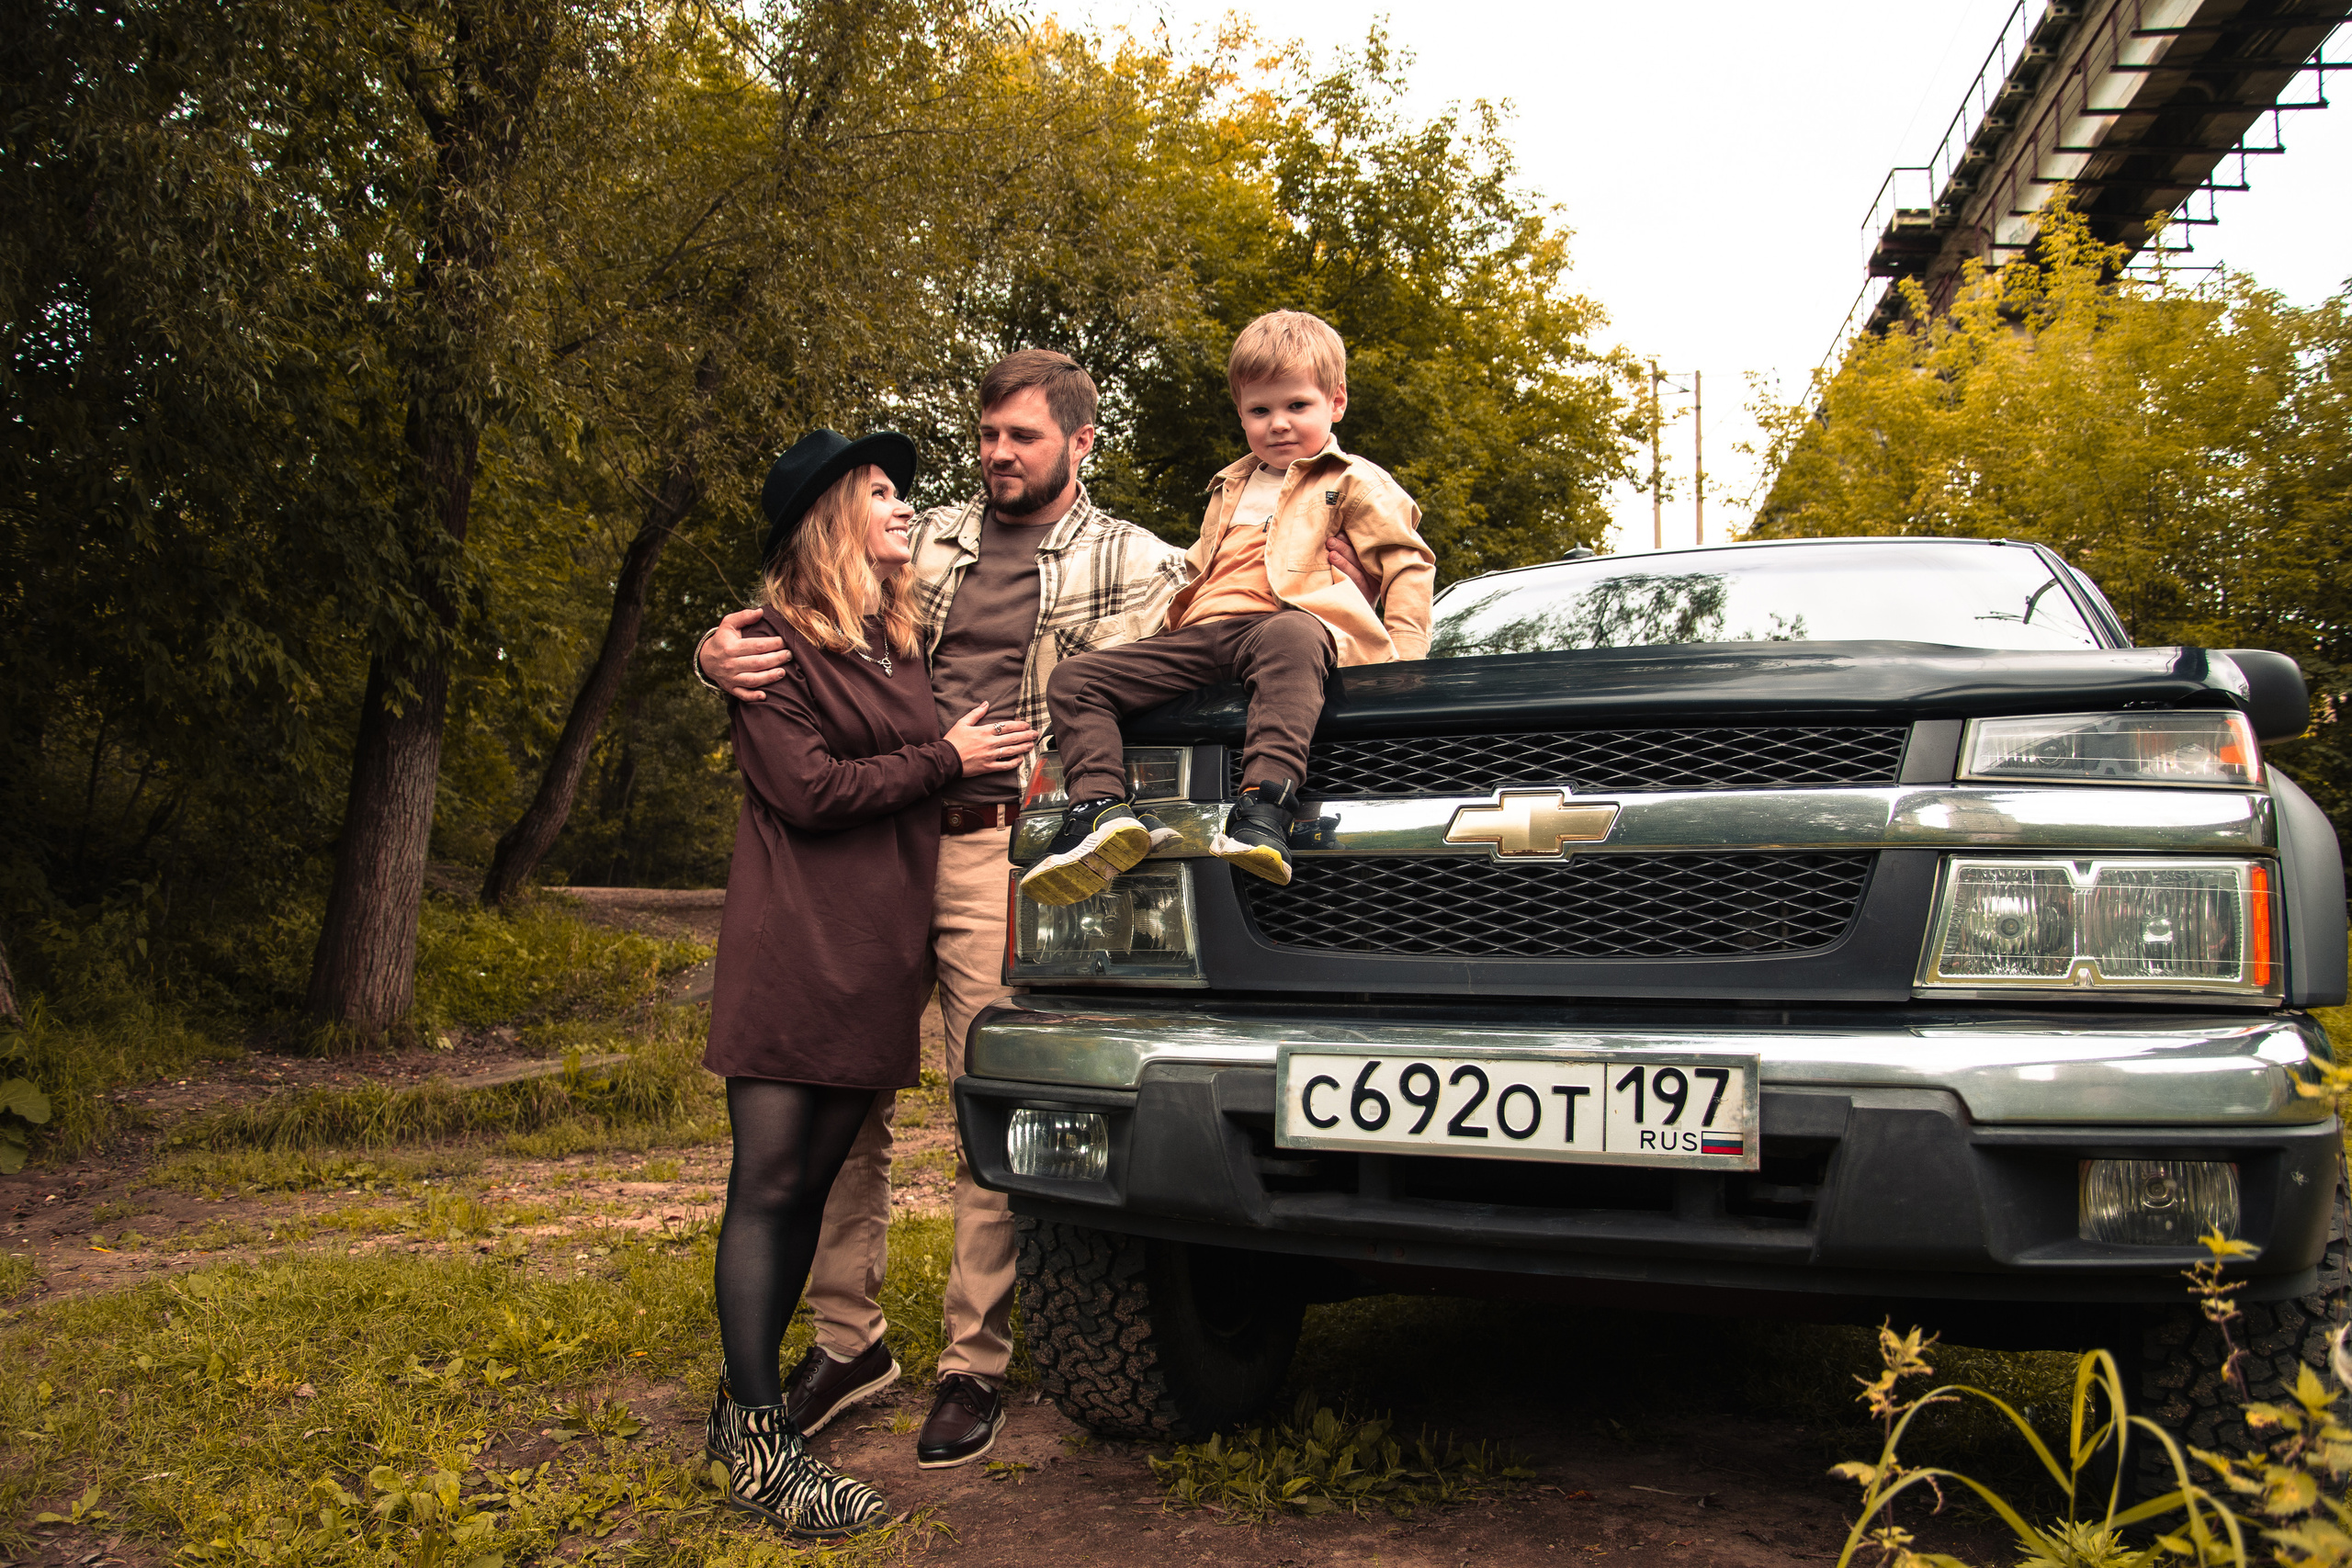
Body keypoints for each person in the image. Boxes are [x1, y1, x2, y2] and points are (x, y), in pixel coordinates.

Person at [696, 350, 1380, 1468]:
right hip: (866, 856)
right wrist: (710, 654)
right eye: (987, 435)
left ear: (1080, 443)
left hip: (997, 858)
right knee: (841, 1108)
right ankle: (845, 1339)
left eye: (1021, 436)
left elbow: (1234, 626)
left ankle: (974, 1362)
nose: (996, 455)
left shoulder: (1146, 560)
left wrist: (1331, 584)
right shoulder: (928, 541)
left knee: (992, 1093)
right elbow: (804, 622)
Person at [699, 427, 1036, 1538]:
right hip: (797, 941)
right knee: (769, 1182)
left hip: (879, 951)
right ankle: (759, 1441)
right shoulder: (767, 642)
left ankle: (751, 1417)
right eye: (882, 493)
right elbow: (806, 789)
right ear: (831, 517)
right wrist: (947, 761)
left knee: (811, 1185)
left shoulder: (894, 641)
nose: (904, 509)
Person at [1020, 310, 1435, 906]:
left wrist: (1404, 669)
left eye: (1298, 406)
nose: (1278, 424)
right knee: (1076, 677)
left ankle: (1264, 808)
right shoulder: (1228, 486)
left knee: (1295, 634)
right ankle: (1100, 812)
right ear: (1241, 414)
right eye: (1260, 411)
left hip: (1276, 628)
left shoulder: (1353, 482)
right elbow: (1198, 572)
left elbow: (1406, 566)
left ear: (1336, 402)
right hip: (1204, 634)